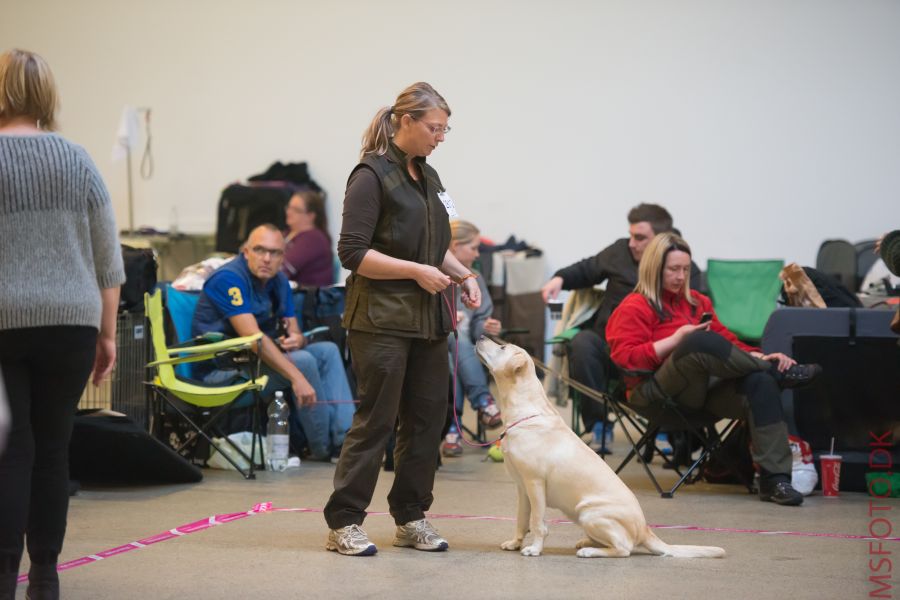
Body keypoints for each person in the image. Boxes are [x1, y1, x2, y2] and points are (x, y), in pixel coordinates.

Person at [323, 82, 480, 556]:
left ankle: (411, 516)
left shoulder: (431, 178)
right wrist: (417, 271)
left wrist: (462, 274)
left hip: (429, 320)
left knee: (426, 422)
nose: (441, 137)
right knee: (376, 422)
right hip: (381, 320)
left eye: (446, 129)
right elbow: (352, 253)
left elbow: (436, 249)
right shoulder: (369, 175)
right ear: (405, 122)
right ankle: (343, 522)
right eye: (435, 128)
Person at [0, 48, 125, 600]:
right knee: (54, 448)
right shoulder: (78, 161)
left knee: (11, 449)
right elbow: (108, 261)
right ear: (48, 95)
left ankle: (5, 574)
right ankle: (45, 577)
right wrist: (107, 334)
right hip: (71, 324)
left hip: (3, 323)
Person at [606, 233, 821, 506]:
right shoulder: (634, 306)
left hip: (701, 393)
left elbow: (727, 341)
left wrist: (762, 355)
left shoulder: (698, 303)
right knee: (697, 341)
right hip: (654, 395)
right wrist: (675, 340)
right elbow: (625, 359)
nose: (681, 276)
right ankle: (776, 371)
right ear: (654, 269)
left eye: (685, 269)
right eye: (673, 269)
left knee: (760, 382)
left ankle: (774, 480)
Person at [540, 204, 701, 451]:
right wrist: (559, 279)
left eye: (640, 238)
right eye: (631, 235)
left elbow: (696, 310)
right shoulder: (620, 252)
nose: (632, 243)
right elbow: (587, 268)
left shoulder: (680, 267)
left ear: (659, 240)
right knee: (582, 342)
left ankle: (663, 427)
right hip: (610, 347)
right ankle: (598, 425)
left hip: (655, 355)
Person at [192, 224, 353, 461]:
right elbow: (254, 339)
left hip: (254, 362)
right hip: (220, 370)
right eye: (259, 250)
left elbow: (293, 330)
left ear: (283, 257)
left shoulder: (278, 280)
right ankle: (323, 450)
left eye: (275, 252)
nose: (267, 258)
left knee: (326, 350)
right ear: (246, 252)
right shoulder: (228, 279)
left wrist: (297, 339)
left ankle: (347, 440)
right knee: (304, 362)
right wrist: (297, 378)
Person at [442, 220, 502, 457]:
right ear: (455, 246)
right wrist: (446, 317)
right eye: (474, 248)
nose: (478, 254)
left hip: (462, 355)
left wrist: (486, 326)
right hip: (432, 346)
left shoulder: (476, 280)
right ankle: (484, 402)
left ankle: (452, 430)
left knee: (456, 352)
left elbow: (478, 328)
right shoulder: (434, 274)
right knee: (452, 338)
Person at [282, 189, 335, 287]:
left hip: (308, 298)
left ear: (311, 216)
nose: (289, 212)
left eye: (295, 210)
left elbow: (283, 269)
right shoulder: (288, 233)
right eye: (288, 207)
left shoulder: (314, 239)